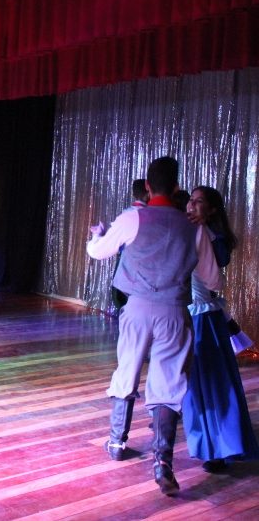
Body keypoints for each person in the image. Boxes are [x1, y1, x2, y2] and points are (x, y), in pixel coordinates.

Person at [87, 156, 223, 496]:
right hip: (174, 311)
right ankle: (163, 462)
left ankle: (117, 441)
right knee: (168, 383)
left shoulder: (132, 217)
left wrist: (97, 236)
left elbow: (98, 252)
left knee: (128, 370)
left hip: (137, 308)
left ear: (148, 186)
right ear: (176, 187)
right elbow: (213, 280)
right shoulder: (194, 227)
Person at [182, 186, 259, 472]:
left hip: (204, 317)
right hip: (191, 315)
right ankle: (210, 445)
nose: (192, 205)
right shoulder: (188, 229)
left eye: (199, 202)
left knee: (213, 384)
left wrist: (205, 230)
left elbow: (217, 270)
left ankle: (219, 448)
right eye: (191, 200)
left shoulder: (211, 236)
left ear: (212, 209)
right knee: (198, 385)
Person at [111, 178, 149, 311]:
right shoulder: (149, 214)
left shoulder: (126, 213)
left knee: (122, 296)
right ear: (148, 193)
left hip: (125, 258)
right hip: (140, 262)